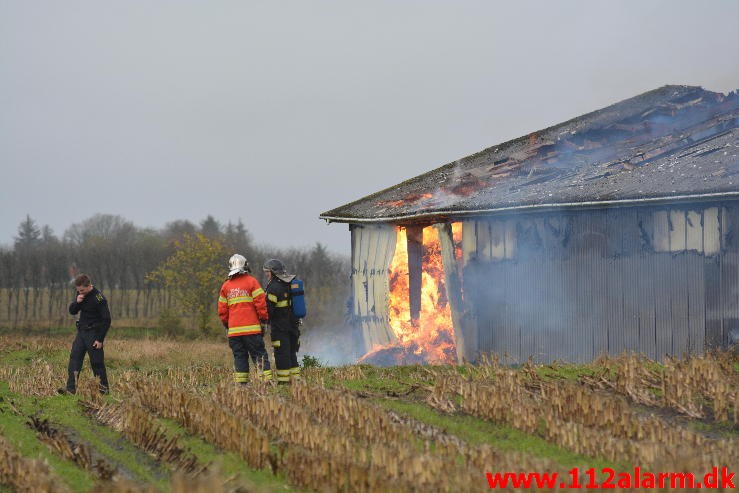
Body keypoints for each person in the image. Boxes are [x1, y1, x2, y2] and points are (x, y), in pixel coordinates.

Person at [218, 254, 272, 384]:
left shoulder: (226, 286)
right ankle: (265, 382)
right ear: (245, 266)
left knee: (240, 356)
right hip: (252, 331)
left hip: (234, 333)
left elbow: (222, 311)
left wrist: (227, 325)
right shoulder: (252, 282)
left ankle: (241, 384)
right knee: (259, 355)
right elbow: (261, 304)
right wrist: (264, 320)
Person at [60, 274, 111, 394]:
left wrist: (100, 339)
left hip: (94, 334)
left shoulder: (99, 298)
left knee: (96, 363)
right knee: (74, 359)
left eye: (82, 290)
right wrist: (77, 302)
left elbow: (107, 320)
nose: (80, 293)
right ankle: (71, 389)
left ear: (89, 286)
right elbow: (72, 311)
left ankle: (103, 390)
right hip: (81, 332)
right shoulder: (81, 294)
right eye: (78, 291)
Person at [262, 259, 301, 384]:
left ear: (273, 272)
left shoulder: (273, 287)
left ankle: (283, 383)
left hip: (280, 328)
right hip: (293, 327)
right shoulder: (290, 283)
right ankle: (296, 380)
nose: (266, 274)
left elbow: (269, 310)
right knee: (291, 353)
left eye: (267, 272)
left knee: (281, 355)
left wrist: (263, 322)